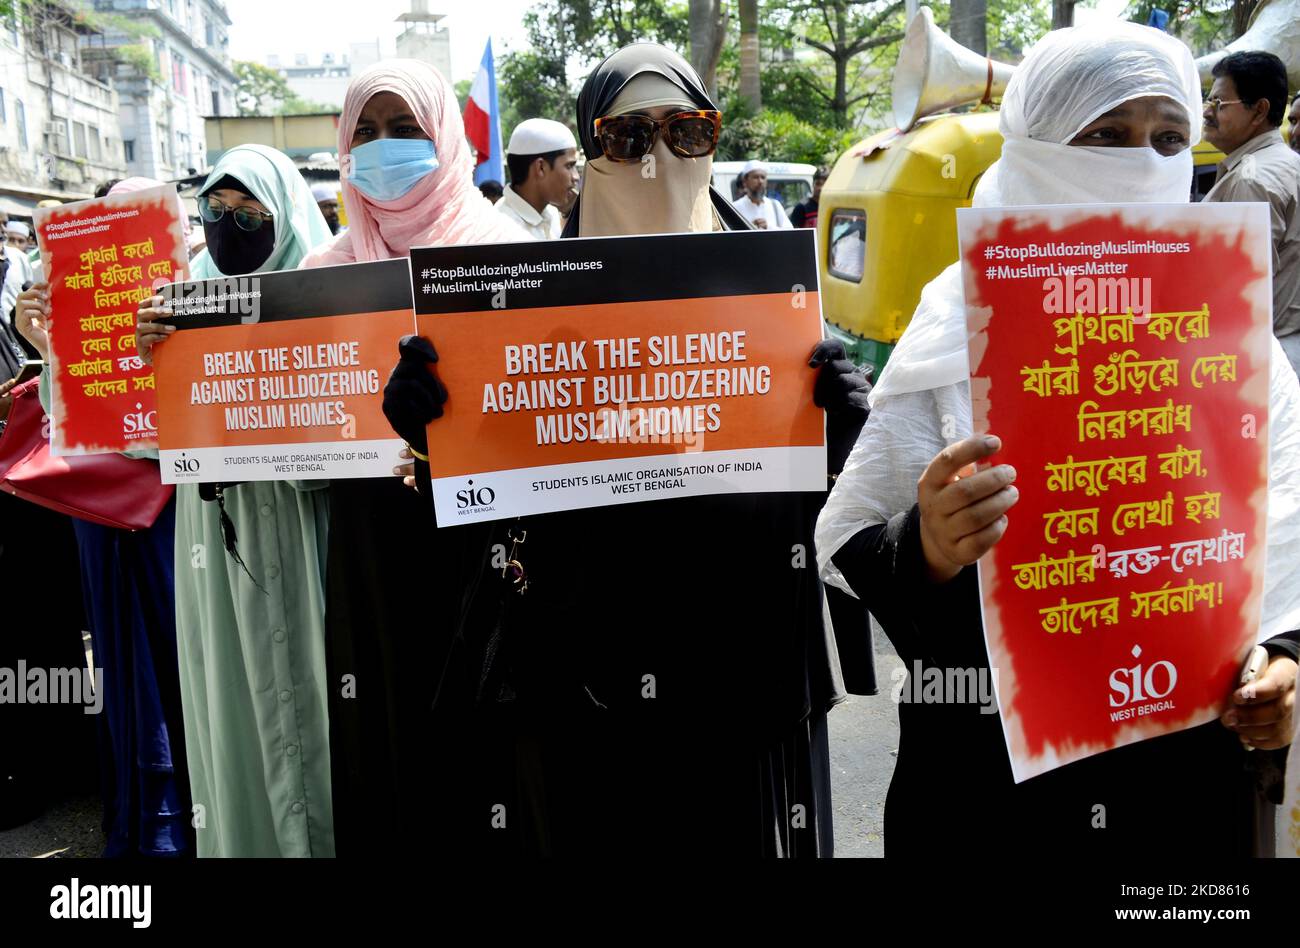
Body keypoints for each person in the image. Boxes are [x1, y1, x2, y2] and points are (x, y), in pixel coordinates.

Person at [816, 21, 1300, 858]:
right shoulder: (959, 318)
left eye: (1170, 137)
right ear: (1036, 144)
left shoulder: (1232, 325)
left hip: (1179, 778)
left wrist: (1285, 661)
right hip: (993, 785)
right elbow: (850, 539)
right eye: (1106, 134)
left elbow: (1282, 524)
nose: (1141, 162)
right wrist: (926, 546)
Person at [382, 42, 871, 857]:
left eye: (684, 131)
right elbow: (489, 510)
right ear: (588, 149)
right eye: (625, 138)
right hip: (579, 683)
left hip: (736, 678)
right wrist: (436, 430)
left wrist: (842, 433)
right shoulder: (518, 309)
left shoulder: (778, 301)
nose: (655, 160)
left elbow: (830, 513)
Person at [299, 59, 527, 856]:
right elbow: (263, 406)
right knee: (387, 741)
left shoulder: (505, 255)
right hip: (371, 549)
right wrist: (172, 349)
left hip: (482, 546)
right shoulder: (321, 279)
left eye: (404, 130)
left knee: (485, 747)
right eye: (364, 132)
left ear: (443, 138)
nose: (382, 148)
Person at [133, 144, 337, 857]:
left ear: (284, 212)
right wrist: (147, 366)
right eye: (216, 209)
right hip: (218, 543)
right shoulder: (179, 297)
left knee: (322, 704)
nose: (231, 222)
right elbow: (140, 446)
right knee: (236, 704)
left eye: (250, 207)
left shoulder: (328, 287)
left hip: (313, 528)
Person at [14, 178, 193, 857]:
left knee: (183, 659)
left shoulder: (194, 272)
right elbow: (67, 394)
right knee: (125, 661)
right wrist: (38, 332)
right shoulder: (61, 279)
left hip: (177, 500)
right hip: (99, 499)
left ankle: (191, 810)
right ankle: (144, 815)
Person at [1203, 51, 1300, 376]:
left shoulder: (1252, 178)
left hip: (1261, 358)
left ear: (1259, 110)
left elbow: (1241, 291)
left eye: (1219, 103)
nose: (1207, 112)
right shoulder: (1289, 164)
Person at [496, 118, 579, 240]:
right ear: (541, 167)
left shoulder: (551, 213)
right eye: (569, 166)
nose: (576, 177)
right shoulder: (500, 229)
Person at [731, 159, 792, 230]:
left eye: (763, 177)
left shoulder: (775, 205)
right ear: (745, 181)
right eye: (755, 177)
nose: (760, 181)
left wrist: (768, 227)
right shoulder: (735, 208)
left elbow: (790, 232)